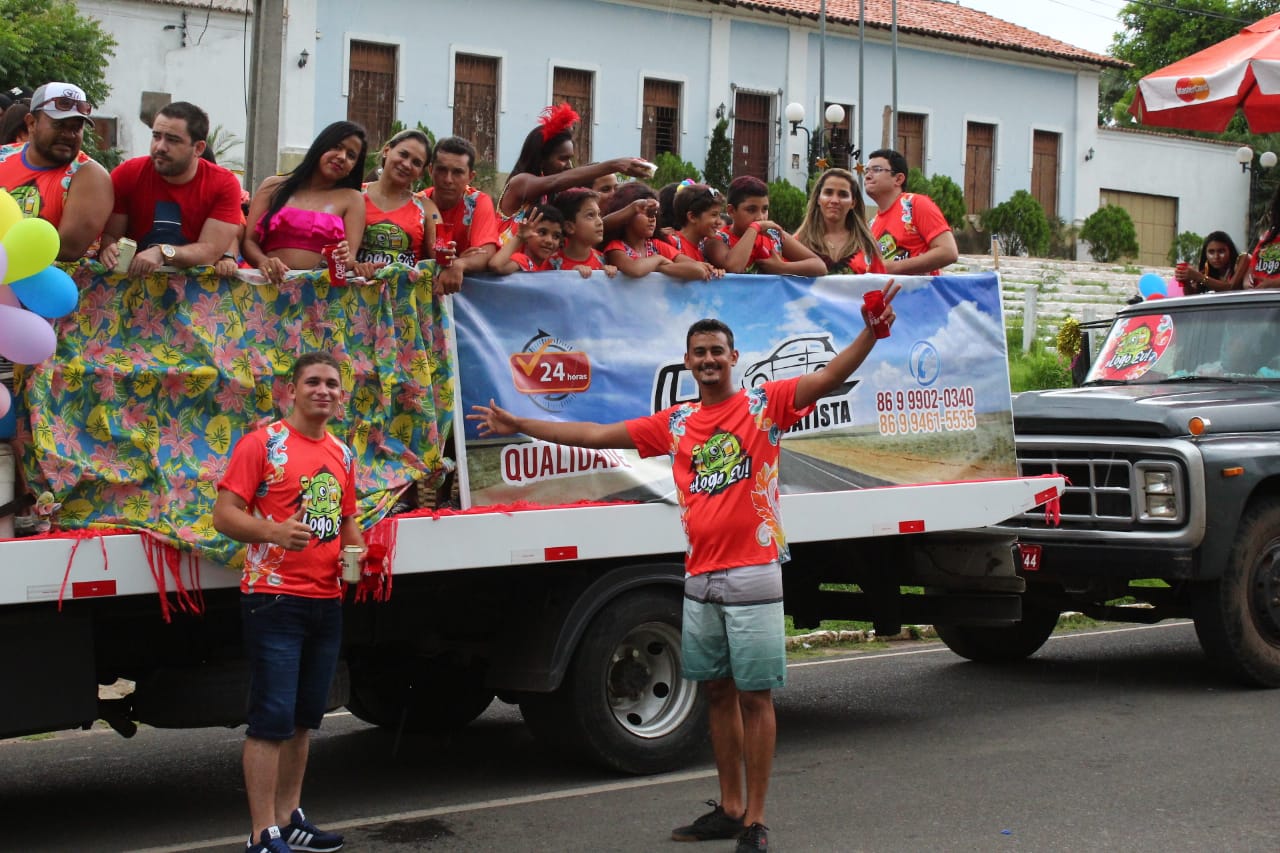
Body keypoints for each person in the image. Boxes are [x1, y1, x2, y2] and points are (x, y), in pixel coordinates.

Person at [468, 296, 897, 853]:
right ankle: (730, 808)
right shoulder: (676, 423)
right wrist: (519, 424)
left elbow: (830, 376)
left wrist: (870, 334)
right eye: (699, 352)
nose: (709, 359)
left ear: (734, 357)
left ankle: (757, 821)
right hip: (699, 579)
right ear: (688, 361)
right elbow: (596, 435)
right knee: (716, 693)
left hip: (754, 574)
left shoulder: (766, 404)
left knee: (755, 698)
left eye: (717, 350)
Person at [212, 351, 363, 853]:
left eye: (332, 384)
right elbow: (224, 515)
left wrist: (357, 551)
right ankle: (261, 834)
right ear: (291, 391)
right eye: (313, 382)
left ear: (341, 396)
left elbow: (346, 519)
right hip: (274, 599)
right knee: (271, 720)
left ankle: (289, 817)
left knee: (303, 718)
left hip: (326, 599)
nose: (323, 390)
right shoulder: (263, 443)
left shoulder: (342, 453)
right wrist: (273, 531)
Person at [98, 102, 243, 276]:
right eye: (156, 136)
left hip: (193, 288)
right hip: (130, 282)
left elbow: (210, 252)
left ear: (198, 148)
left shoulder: (224, 183)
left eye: (172, 140)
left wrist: (163, 252)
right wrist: (108, 248)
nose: (160, 147)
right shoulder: (127, 173)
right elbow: (111, 235)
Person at [241, 121, 367, 285]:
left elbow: (350, 259)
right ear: (321, 145)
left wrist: (342, 257)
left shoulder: (353, 199)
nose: (342, 157)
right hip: (268, 287)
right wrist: (263, 261)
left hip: (320, 292)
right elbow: (248, 242)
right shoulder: (272, 186)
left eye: (351, 156)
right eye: (336, 147)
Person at [0, 82, 112, 261]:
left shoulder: (89, 176)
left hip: (50, 278)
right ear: (31, 123)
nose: (69, 135)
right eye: (59, 125)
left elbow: (67, 249)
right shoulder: (3, 157)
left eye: (76, 127)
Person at [497, 103, 652, 219]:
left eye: (570, 159)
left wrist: (632, 209)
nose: (569, 166)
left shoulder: (553, 196)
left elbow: (589, 229)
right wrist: (615, 165)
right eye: (563, 159)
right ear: (541, 159)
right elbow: (555, 181)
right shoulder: (519, 183)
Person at [352, 129, 440, 278]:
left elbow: (440, 257)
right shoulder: (354, 196)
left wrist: (457, 260)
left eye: (416, 163)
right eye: (403, 154)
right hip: (355, 289)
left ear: (421, 172)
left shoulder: (427, 209)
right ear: (387, 150)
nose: (406, 164)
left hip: (406, 291)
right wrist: (353, 265)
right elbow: (334, 249)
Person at [419, 136, 500, 294]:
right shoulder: (417, 203)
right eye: (442, 170)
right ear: (430, 170)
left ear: (471, 177)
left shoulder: (478, 202)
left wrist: (459, 264)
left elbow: (486, 253)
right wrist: (464, 260)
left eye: (457, 172)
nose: (448, 179)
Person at [703, 176, 826, 276]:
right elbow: (734, 268)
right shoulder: (717, 240)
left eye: (765, 209)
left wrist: (783, 268)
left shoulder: (774, 236)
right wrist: (754, 228)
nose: (760, 217)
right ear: (731, 211)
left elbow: (819, 266)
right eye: (751, 210)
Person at [864, 148, 958, 276]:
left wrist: (893, 268)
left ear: (898, 179)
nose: (868, 176)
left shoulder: (915, 204)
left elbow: (948, 252)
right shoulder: (873, 224)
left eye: (876, 170)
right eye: (866, 171)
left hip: (921, 289)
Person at [601, 181, 719, 280]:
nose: (652, 219)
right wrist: (659, 259)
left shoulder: (656, 245)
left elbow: (698, 270)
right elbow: (635, 269)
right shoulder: (615, 247)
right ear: (627, 216)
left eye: (655, 214)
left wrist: (659, 267)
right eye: (648, 213)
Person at [795, 167, 886, 275]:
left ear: (853, 203)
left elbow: (879, 282)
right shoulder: (798, 242)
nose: (834, 200)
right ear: (818, 199)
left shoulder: (867, 245)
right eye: (828, 193)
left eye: (843, 195)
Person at [543, 187, 618, 277]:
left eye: (599, 214)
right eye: (590, 215)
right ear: (569, 227)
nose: (600, 222)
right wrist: (571, 275)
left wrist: (606, 274)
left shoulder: (603, 260)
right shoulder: (551, 263)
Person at [487, 204, 565, 273]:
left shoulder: (554, 263)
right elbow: (496, 265)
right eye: (542, 233)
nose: (549, 241)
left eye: (556, 236)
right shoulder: (523, 261)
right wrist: (519, 237)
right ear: (527, 236)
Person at [666, 181, 725, 265]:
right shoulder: (671, 243)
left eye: (719, 215)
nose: (719, 222)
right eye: (714, 215)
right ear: (692, 217)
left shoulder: (704, 249)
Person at [1175, 231, 1247, 293]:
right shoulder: (1206, 271)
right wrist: (1186, 282)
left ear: (1230, 250)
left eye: (1221, 251)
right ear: (1205, 254)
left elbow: (1231, 287)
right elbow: (1193, 296)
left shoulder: (1242, 259)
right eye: (1211, 252)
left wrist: (1199, 277)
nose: (1216, 257)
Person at [1250, 184, 1280, 288]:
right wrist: (1247, 281)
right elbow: (1251, 270)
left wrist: (1273, 283)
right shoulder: (1267, 236)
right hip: (1258, 296)